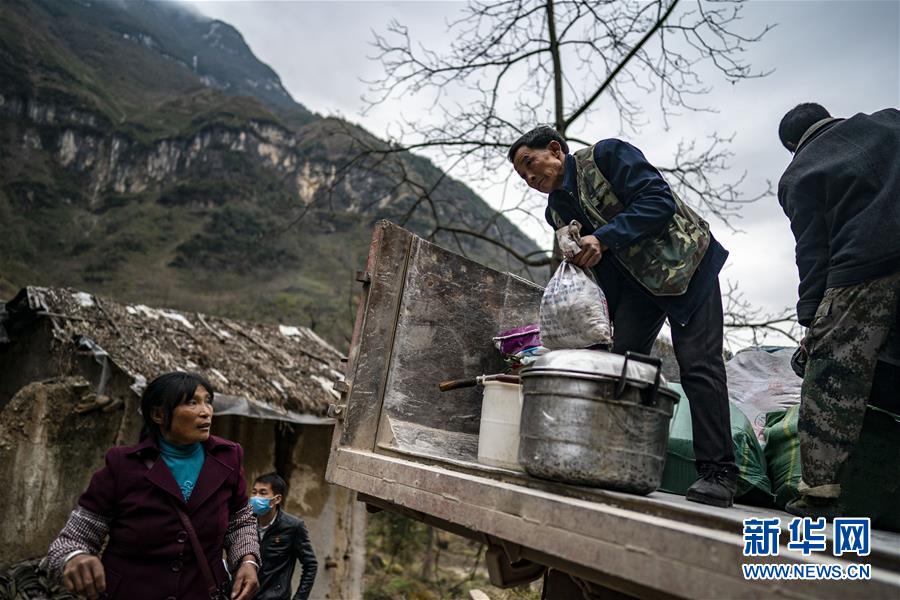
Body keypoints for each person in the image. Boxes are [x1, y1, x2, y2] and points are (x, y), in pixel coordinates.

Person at [508, 125, 739, 507]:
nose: (530, 178)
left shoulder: (607, 157)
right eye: (522, 176)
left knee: (699, 364)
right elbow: (603, 266)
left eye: (530, 164)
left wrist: (603, 238)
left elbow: (658, 201)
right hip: (637, 286)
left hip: (685, 265)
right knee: (622, 367)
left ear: (555, 149)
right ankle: (624, 460)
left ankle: (719, 473)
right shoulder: (557, 211)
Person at [776, 103, 900, 518]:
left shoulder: (800, 172)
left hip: (863, 267)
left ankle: (819, 493)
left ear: (792, 145)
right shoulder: (890, 120)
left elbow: (812, 253)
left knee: (831, 378)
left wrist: (813, 324)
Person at [46, 372, 260, 600]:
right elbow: (71, 541)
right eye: (192, 402)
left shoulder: (227, 458)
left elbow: (240, 521)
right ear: (159, 415)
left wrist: (247, 560)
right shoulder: (123, 466)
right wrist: (74, 557)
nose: (206, 411)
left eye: (207, 401)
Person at [250, 472, 318, 600]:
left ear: (277, 499)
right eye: (254, 492)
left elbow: (310, 565)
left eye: (263, 493)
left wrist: (299, 598)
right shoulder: (245, 523)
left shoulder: (293, 526)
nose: (256, 497)